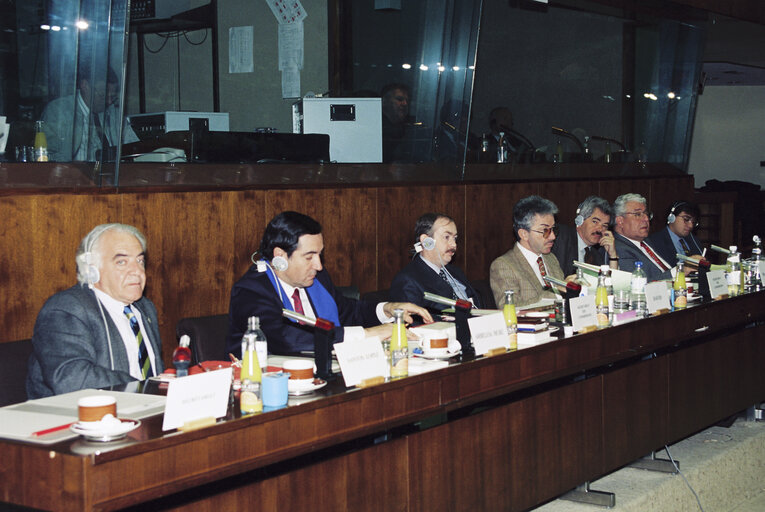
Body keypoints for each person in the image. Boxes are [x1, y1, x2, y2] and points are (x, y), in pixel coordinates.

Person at [227, 211, 432, 355]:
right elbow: (285, 338)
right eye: (309, 257)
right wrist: (367, 334)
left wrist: (387, 309)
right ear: (280, 257)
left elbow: (347, 311)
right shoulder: (251, 290)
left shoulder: (316, 279)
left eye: (319, 254)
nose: (318, 265)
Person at [27, 224, 163, 399]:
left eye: (140, 261)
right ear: (91, 270)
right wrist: (144, 388)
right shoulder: (66, 309)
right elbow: (72, 380)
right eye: (121, 262)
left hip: (141, 413)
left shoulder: (145, 308)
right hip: (75, 420)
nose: (137, 271)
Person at [41, 64, 138, 162]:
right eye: (103, 95)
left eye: (112, 97)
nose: (109, 102)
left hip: (111, 175)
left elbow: (135, 150)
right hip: (73, 174)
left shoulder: (114, 114)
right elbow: (46, 156)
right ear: (85, 86)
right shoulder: (58, 111)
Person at [389, 213, 483, 312]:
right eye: (446, 237)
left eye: (455, 238)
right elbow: (414, 323)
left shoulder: (456, 272)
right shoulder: (408, 281)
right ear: (426, 241)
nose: (454, 245)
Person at [490, 195, 565, 308]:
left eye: (553, 229)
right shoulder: (503, 265)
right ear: (524, 234)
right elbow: (511, 308)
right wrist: (556, 293)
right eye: (545, 231)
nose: (553, 236)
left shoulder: (551, 258)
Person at [551, 195, 619, 277]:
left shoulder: (596, 256)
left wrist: (613, 256)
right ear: (579, 220)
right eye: (595, 222)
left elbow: (610, 284)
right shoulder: (560, 237)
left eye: (604, 225)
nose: (600, 229)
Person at [613, 193, 673, 281]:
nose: (646, 219)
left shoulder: (647, 241)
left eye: (646, 214)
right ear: (620, 221)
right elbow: (638, 285)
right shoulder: (618, 249)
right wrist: (678, 272)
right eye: (637, 214)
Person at [646, 200, 704, 267]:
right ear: (671, 217)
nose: (691, 225)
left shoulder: (694, 241)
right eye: (686, 219)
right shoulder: (655, 241)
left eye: (693, 222)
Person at [381, 83, 411, 163]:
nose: (405, 104)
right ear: (384, 102)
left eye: (407, 101)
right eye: (399, 99)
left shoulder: (410, 127)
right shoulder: (375, 128)